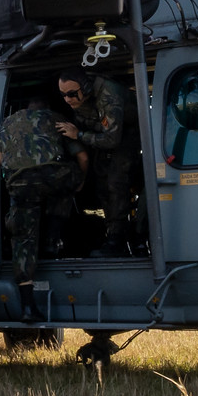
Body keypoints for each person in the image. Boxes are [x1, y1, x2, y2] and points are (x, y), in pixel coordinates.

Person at [0, 95, 82, 323]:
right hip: (56, 179)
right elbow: (81, 155)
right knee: (65, 188)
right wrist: (80, 180)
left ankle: (28, 307)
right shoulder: (57, 118)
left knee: (23, 239)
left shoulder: (8, 122)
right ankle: (53, 240)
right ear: (47, 107)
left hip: (22, 184)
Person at [56, 67, 138, 257]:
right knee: (101, 185)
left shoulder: (109, 95)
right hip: (102, 136)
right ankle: (111, 232)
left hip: (128, 136)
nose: (67, 99)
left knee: (116, 182)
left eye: (71, 94)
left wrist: (79, 135)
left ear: (84, 88)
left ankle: (117, 239)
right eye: (63, 95)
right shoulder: (81, 99)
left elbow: (112, 140)